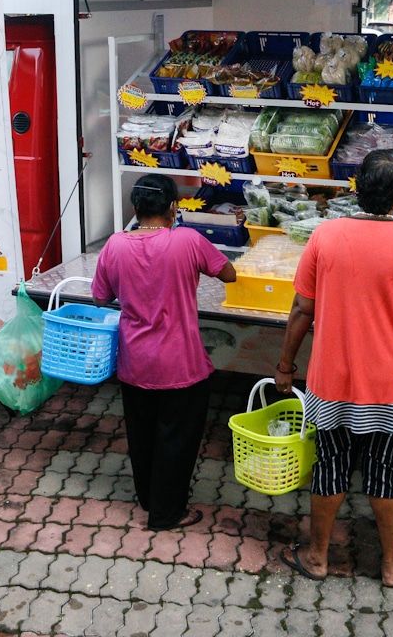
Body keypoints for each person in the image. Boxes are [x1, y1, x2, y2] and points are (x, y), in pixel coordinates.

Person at [275, 149, 393, 587]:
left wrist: (285, 365)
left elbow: (302, 309)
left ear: (356, 187)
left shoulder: (326, 236)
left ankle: (318, 557)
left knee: (330, 465)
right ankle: (391, 566)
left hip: (333, 378)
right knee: (387, 471)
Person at [91, 174, 237, 530]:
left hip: (134, 363)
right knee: (177, 438)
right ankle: (167, 512)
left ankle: (149, 497)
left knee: (142, 435)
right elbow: (229, 274)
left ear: (135, 208)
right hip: (181, 365)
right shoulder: (187, 240)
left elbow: (100, 296)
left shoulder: (115, 245)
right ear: (173, 207)